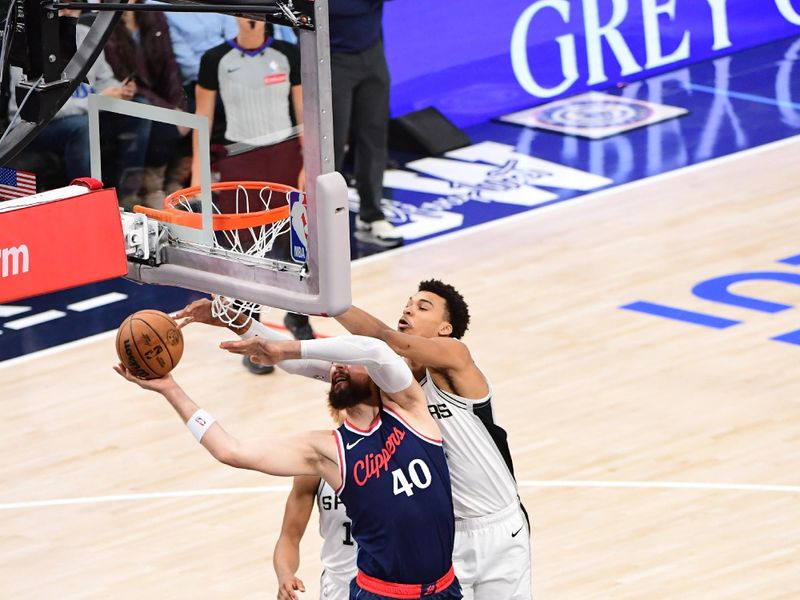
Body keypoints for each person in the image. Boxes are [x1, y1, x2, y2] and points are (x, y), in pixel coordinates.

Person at [115, 329, 461, 600]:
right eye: (335, 367)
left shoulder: (412, 411)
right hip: (380, 594)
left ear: (376, 377)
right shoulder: (326, 448)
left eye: (346, 363)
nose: (338, 368)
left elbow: (376, 351)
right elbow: (230, 450)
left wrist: (287, 349)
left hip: (445, 588)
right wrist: (170, 388)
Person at [334, 280, 532, 600]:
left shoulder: (456, 354)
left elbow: (386, 340)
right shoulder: (401, 383)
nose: (409, 308)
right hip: (445, 535)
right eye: (408, 303)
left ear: (445, 328)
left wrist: (331, 302)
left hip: (500, 527)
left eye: (422, 306)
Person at [329, 0, 401, 247]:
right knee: (332, 143)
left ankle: (371, 214)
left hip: (372, 55)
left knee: (374, 137)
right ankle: (325, 219)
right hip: (331, 60)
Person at [274, 413, 357, 600]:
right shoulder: (317, 463)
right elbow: (289, 536)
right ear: (335, 410)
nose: (352, 412)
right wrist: (285, 575)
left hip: (389, 584)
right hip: (339, 588)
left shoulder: (398, 457)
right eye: (346, 405)